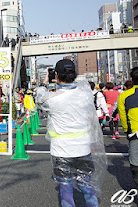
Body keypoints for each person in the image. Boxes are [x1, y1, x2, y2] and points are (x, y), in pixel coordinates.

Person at [36, 59, 107, 207]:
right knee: (88, 188)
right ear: (74, 74)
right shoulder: (85, 95)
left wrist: (44, 83)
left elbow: (39, 97)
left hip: (61, 150)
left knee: (66, 192)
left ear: (55, 75)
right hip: (83, 148)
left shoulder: (52, 99)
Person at [118, 67, 138, 185]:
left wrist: (127, 132)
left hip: (135, 134)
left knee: (136, 166)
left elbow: (123, 118)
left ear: (131, 79)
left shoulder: (124, 96)